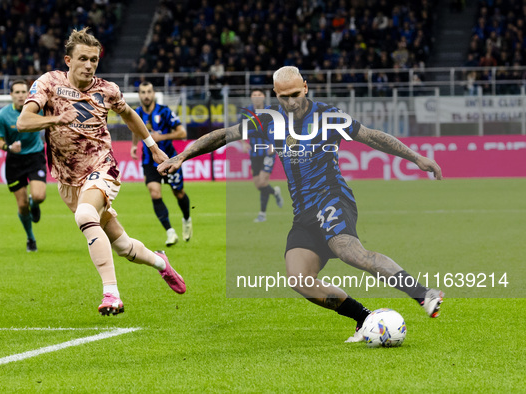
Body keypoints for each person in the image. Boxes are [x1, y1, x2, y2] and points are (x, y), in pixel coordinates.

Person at [158, 66, 444, 342]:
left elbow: (370, 136)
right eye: (284, 97)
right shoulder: (268, 121)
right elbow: (222, 135)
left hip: (333, 199)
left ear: (305, 87)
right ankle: (364, 319)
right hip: (303, 213)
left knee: (350, 253)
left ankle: (423, 293)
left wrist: (416, 158)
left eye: (296, 94)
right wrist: (183, 156)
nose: (292, 101)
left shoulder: (328, 116)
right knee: (300, 280)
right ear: (275, 94)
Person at [16, 27, 186, 316]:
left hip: (101, 168)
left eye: (94, 60)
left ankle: (112, 295)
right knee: (122, 246)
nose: (89, 65)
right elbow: (24, 121)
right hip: (68, 179)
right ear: (68, 60)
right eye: (83, 58)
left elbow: (130, 115)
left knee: (85, 216)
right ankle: (160, 262)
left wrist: (153, 147)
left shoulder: (106, 90)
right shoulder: (49, 83)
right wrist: (57, 119)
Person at [132, 81, 192, 246]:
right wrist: (133, 146)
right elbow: (135, 129)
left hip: (169, 159)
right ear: (139, 95)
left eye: (149, 91)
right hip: (149, 161)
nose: (146, 95)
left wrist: (161, 137)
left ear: (153, 93)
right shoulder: (136, 113)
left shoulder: (164, 111)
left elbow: (182, 132)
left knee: (178, 193)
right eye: (143, 92)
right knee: (155, 193)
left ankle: (187, 219)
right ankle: (170, 232)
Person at [0, 80, 46, 252]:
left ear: (28, 94)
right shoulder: (3, 115)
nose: (21, 95)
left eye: (24, 92)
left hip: (35, 156)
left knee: (39, 196)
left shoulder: (36, 109)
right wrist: (9, 147)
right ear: (11, 95)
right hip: (14, 161)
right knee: (22, 205)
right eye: (17, 92)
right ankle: (31, 238)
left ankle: (34, 203)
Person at [242, 88, 283, 222]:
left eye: (259, 94)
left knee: (263, 181)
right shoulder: (246, 112)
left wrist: (274, 144)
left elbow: (278, 128)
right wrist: (243, 142)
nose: (257, 97)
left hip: (267, 150)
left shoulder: (271, 112)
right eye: (254, 94)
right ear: (251, 97)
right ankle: (275, 192)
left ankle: (262, 214)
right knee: (258, 184)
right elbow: (241, 128)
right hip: (254, 151)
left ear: (264, 97)